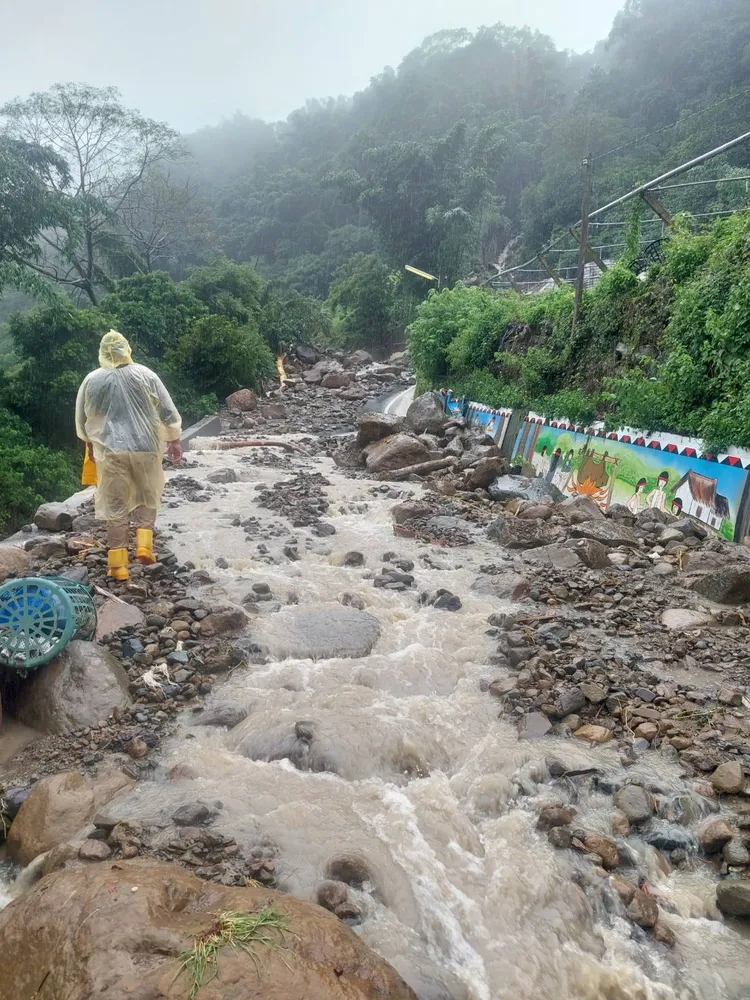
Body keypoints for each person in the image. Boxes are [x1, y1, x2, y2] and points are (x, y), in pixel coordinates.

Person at [75, 331, 183, 581]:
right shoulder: (146, 374)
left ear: (102, 352)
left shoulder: (93, 379)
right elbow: (166, 409)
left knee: (115, 504)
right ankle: (144, 545)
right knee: (148, 493)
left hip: (111, 449)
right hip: (145, 445)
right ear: (127, 349)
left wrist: (89, 442)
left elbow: (83, 418)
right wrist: (174, 438)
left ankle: (119, 565)